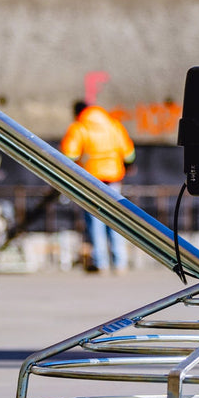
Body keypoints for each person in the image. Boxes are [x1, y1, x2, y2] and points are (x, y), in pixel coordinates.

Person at [59, 100, 136, 272]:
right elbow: (129, 153)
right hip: (113, 177)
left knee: (95, 219)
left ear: (77, 112)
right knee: (116, 218)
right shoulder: (113, 125)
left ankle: (100, 262)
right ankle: (120, 262)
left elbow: (69, 155)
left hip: (91, 179)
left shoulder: (79, 127)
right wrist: (127, 166)